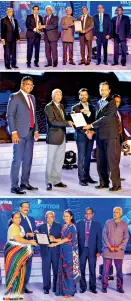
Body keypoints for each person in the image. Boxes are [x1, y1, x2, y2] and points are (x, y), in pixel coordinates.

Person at [84, 82, 121, 191]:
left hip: (110, 135)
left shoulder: (112, 102)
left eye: (105, 89)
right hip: (100, 135)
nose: (103, 91)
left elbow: (106, 118)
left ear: (109, 91)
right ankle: (103, 182)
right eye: (101, 89)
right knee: (101, 161)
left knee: (112, 161)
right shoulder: (99, 102)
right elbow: (98, 117)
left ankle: (116, 184)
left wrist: (91, 125)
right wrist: (91, 126)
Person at [7, 76, 39, 194]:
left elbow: (34, 114)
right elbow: (10, 115)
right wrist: (14, 132)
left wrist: (36, 129)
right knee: (17, 160)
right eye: (27, 84)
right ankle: (14, 186)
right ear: (22, 84)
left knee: (28, 160)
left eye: (31, 85)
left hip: (30, 133)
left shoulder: (32, 98)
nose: (30, 87)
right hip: (19, 133)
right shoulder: (15, 96)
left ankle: (24, 183)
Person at [44, 88, 74, 191]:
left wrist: (72, 115)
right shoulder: (48, 107)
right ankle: (48, 182)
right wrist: (67, 123)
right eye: (56, 94)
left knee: (59, 161)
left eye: (60, 94)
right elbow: (52, 122)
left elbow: (63, 119)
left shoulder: (61, 106)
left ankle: (57, 181)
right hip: (53, 137)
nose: (58, 96)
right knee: (51, 160)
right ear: (52, 96)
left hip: (62, 137)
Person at [3, 212, 37, 301]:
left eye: (19, 217)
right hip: (13, 252)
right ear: (12, 219)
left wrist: (29, 235)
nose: (18, 219)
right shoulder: (13, 227)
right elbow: (18, 239)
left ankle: (17, 293)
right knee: (14, 271)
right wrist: (30, 242)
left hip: (20, 252)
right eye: (16, 217)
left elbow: (22, 237)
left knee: (20, 272)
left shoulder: (20, 227)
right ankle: (11, 295)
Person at [49, 209, 81, 298]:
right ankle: (63, 290)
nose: (65, 218)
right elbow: (62, 238)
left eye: (67, 216)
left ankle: (70, 292)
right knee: (63, 272)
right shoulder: (63, 226)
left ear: (71, 217)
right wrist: (53, 239)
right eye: (64, 216)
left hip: (70, 252)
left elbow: (67, 239)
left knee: (69, 272)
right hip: (63, 250)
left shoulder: (72, 227)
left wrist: (55, 244)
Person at [72, 88, 97, 185]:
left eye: (85, 95)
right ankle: (81, 178)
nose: (83, 97)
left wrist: (92, 132)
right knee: (81, 157)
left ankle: (87, 176)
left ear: (88, 95)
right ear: (79, 96)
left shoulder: (92, 107)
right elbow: (77, 125)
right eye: (81, 95)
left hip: (91, 136)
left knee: (87, 157)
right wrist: (87, 132)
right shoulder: (75, 108)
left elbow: (95, 121)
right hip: (81, 136)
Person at [102, 207, 129, 293]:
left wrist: (120, 247)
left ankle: (119, 287)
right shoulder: (108, 222)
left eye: (117, 212)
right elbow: (104, 236)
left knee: (119, 271)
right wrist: (109, 246)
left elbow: (126, 237)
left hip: (119, 252)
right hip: (108, 251)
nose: (115, 214)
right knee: (105, 271)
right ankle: (104, 286)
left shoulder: (124, 224)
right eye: (114, 212)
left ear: (120, 214)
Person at [77, 207, 102, 294]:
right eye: (86, 213)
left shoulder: (97, 224)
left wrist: (99, 251)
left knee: (92, 269)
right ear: (84, 214)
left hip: (93, 251)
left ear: (93, 214)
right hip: (82, 250)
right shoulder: (79, 224)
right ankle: (83, 287)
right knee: (82, 269)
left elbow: (99, 239)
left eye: (90, 213)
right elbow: (76, 238)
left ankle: (92, 287)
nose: (88, 215)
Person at [38, 211, 62, 294]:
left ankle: (56, 287)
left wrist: (54, 240)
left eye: (51, 216)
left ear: (54, 217)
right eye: (48, 217)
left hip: (56, 251)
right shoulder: (41, 227)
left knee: (56, 270)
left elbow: (62, 239)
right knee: (46, 270)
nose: (49, 218)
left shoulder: (59, 226)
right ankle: (46, 288)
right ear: (45, 218)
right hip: (45, 251)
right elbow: (37, 239)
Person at [19, 202, 37, 294]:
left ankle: (24, 286)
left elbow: (34, 229)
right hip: (21, 247)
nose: (26, 208)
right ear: (20, 208)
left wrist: (36, 231)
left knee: (28, 268)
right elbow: (16, 233)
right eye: (24, 207)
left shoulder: (31, 218)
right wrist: (27, 234)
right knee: (20, 268)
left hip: (30, 247)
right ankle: (18, 287)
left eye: (28, 207)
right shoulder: (17, 218)